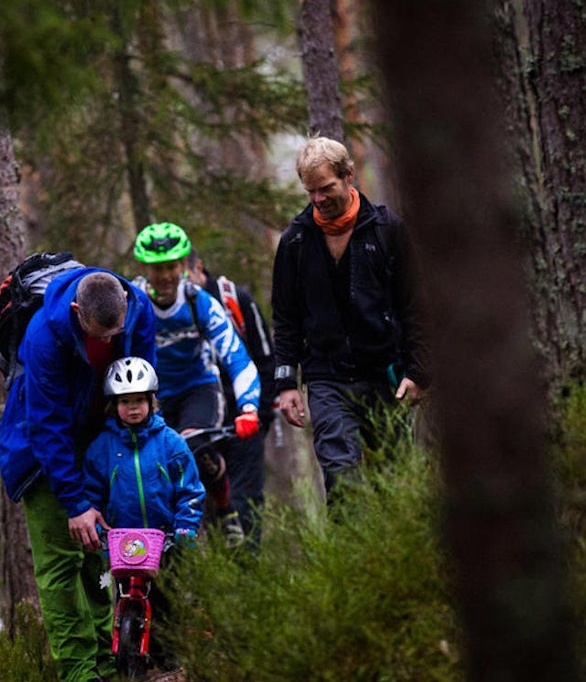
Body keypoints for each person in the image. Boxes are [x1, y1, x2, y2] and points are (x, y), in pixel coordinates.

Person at [0, 267, 156, 682]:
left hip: (96, 446)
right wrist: (74, 503)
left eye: (114, 334)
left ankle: (111, 660)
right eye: (97, 335)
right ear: (75, 311)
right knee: (61, 565)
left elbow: (142, 381)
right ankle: (80, 673)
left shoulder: (137, 312)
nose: (106, 343)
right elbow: (46, 426)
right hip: (40, 455)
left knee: (100, 559)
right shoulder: (43, 338)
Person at [271, 136, 427, 501]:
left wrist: (419, 372)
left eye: (326, 188)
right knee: (342, 480)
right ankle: (348, 556)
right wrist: (286, 384)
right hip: (326, 380)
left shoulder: (387, 230)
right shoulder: (295, 242)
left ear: (349, 176)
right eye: (311, 192)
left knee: (396, 482)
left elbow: (416, 307)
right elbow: (286, 319)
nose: (318, 200)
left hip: (385, 377)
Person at [131, 222, 263, 546]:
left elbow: (237, 357)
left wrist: (248, 407)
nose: (164, 276)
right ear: (145, 268)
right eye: (157, 268)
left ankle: (225, 509)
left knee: (193, 447)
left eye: (172, 267)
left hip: (198, 389)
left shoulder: (198, 303)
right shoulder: (134, 303)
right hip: (154, 395)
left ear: (184, 265)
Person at [83, 356, 204, 668]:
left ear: (152, 401)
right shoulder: (102, 448)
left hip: (165, 539)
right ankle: (124, 657)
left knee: (166, 601)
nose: (133, 408)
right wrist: (95, 520)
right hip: (123, 541)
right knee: (123, 596)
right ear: (113, 405)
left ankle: (169, 659)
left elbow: (190, 490)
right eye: (125, 402)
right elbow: (93, 492)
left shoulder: (171, 444)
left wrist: (186, 526)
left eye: (139, 400)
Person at [186, 249, 276, 539]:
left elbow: (264, 358)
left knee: (245, 501)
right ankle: (215, 577)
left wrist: (260, 416)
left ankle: (247, 574)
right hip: (199, 422)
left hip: (242, 421)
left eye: (181, 274)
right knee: (206, 505)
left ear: (198, 266)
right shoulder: (173, 310)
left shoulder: (233, 298)